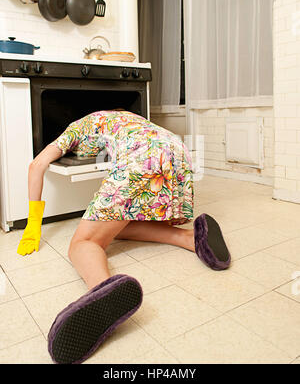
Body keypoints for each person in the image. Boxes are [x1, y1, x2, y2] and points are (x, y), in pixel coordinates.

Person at [17, 109, 231, 364]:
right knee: (120, 224)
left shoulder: (75, 127)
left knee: (84, 243)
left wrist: (33, 223)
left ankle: (101, 291)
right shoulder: (123, 116)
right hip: (177, 152)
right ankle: (191, 238)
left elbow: (36, 165)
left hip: (142, 158)